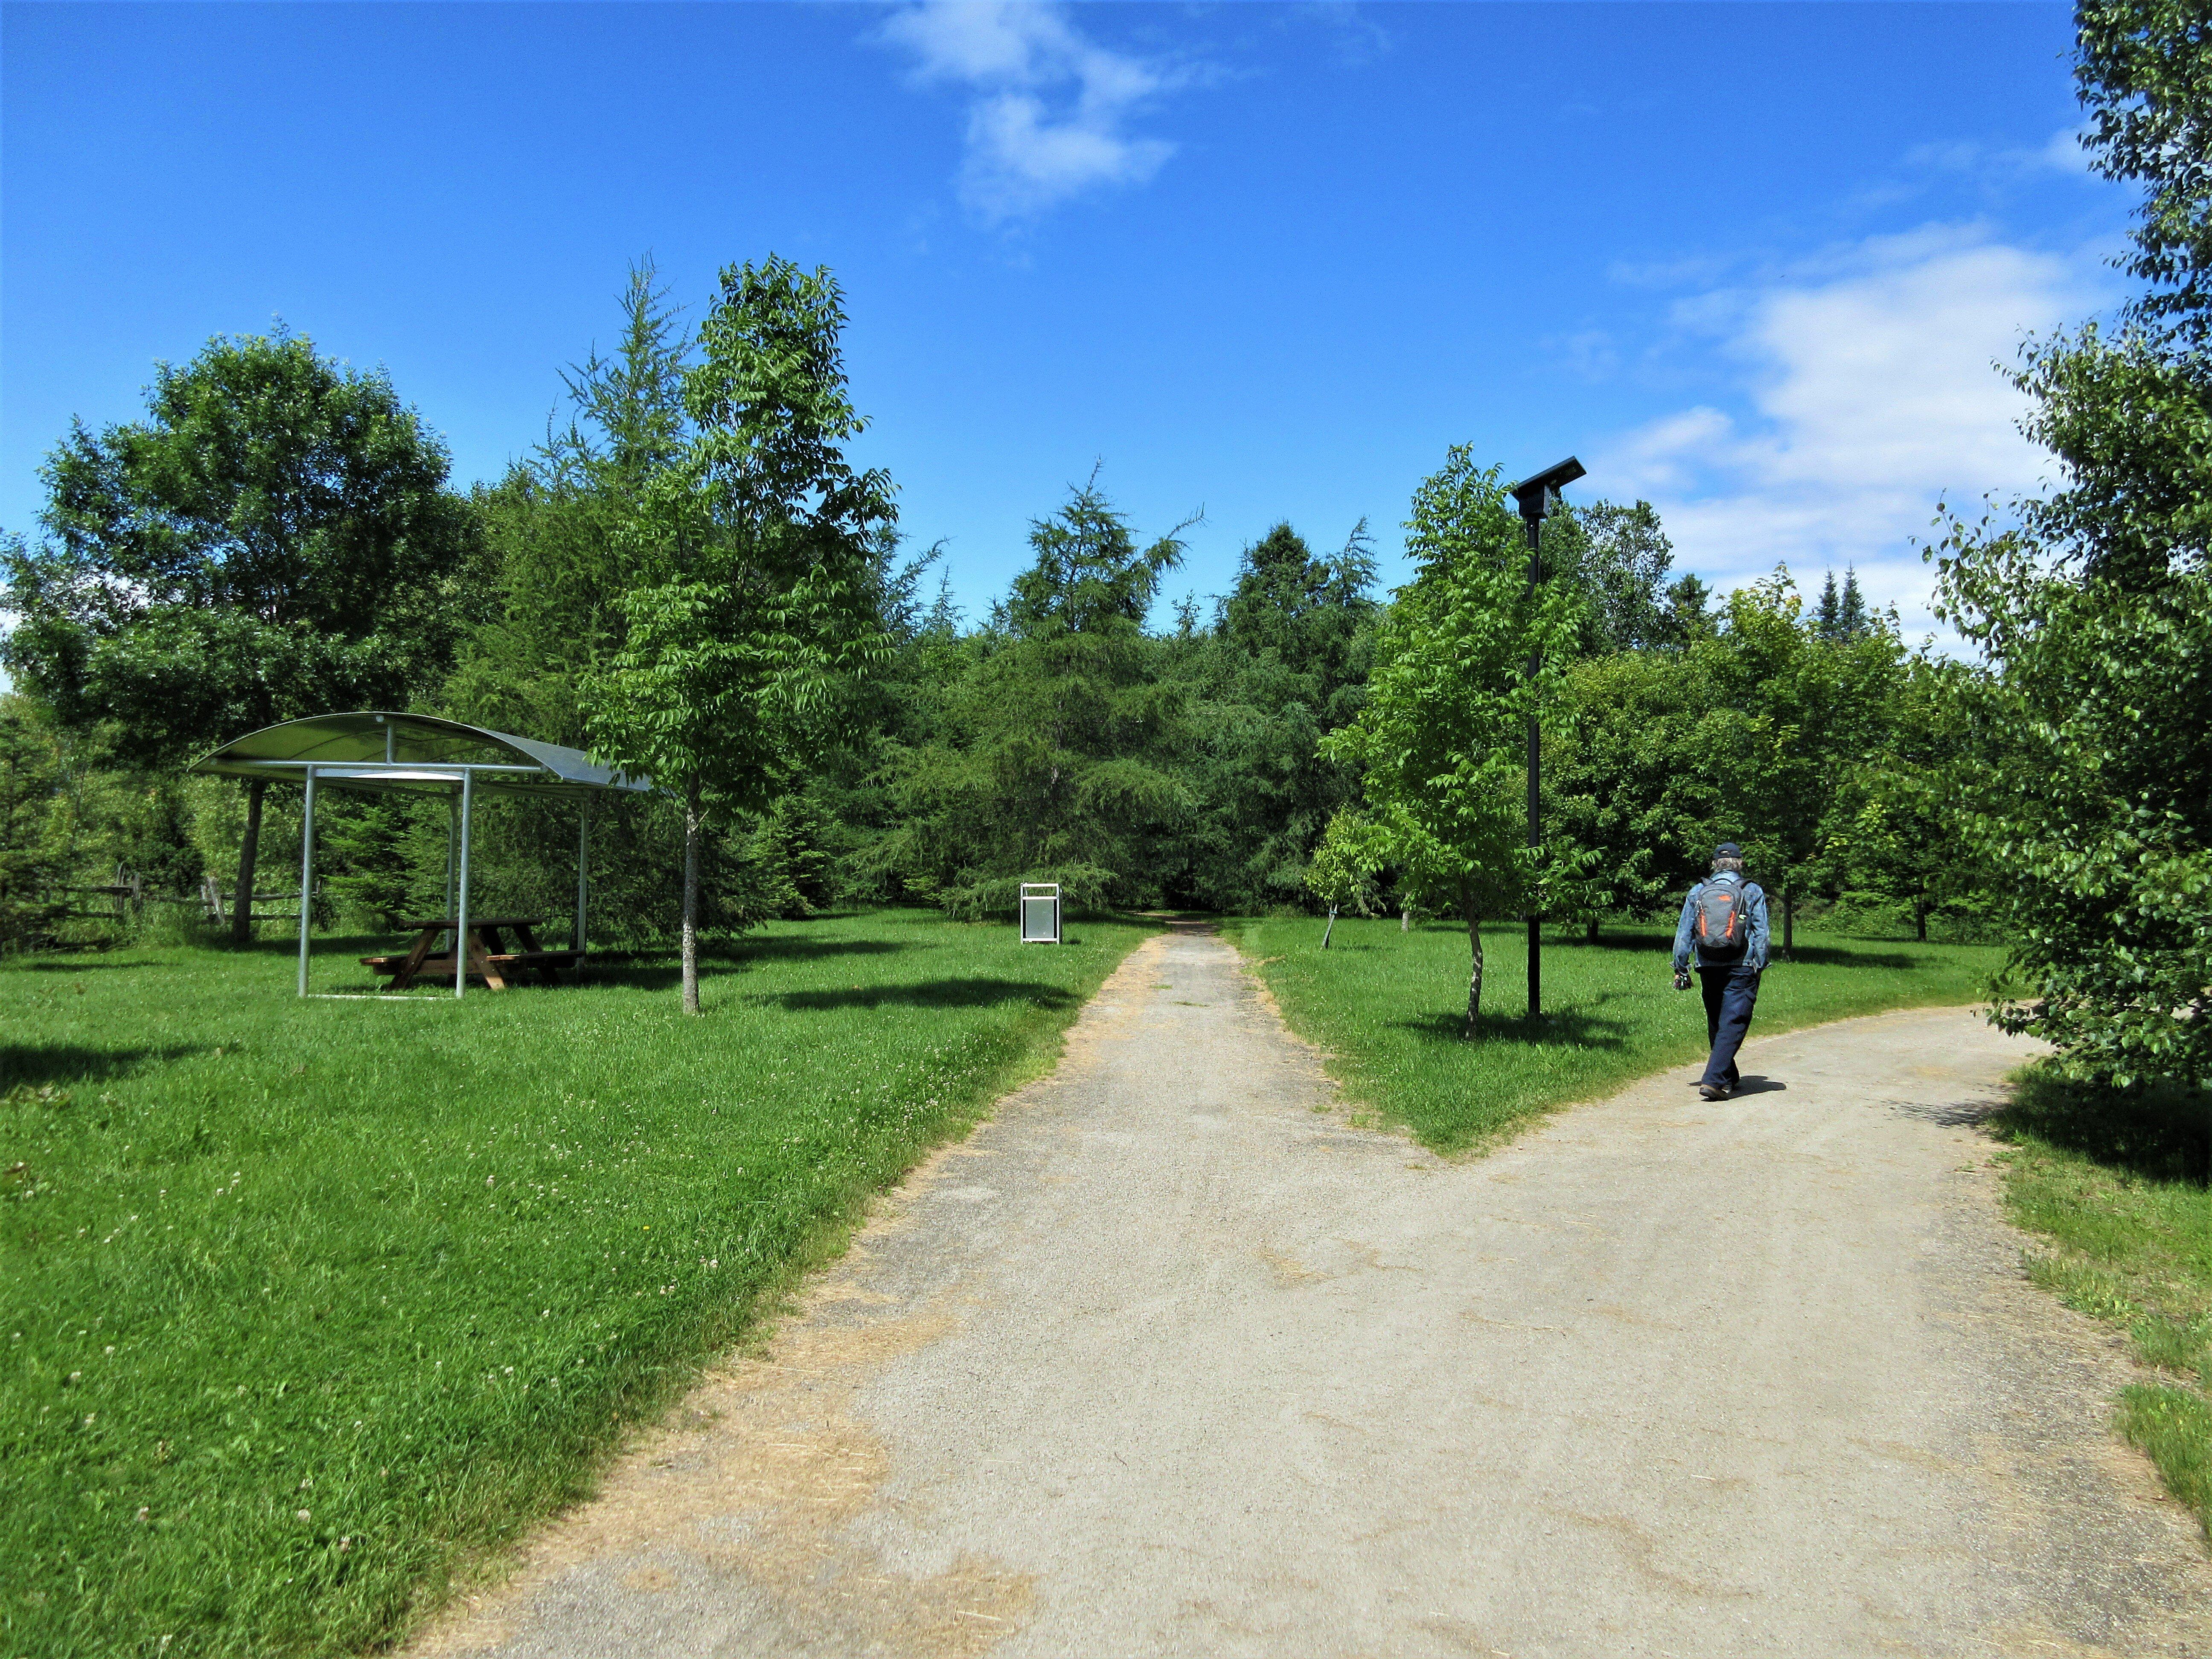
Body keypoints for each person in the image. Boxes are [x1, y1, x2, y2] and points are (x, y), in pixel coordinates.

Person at [1670, 842, 1770, 1100]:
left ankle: (1729, 1075)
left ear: (1715, 864)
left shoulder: (1698, 891)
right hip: (1742, 965)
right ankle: (1714, 1080)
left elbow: (1684, 934)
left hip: (1707, 964)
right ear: (1740, 863)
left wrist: (1682, 967)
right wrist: (1760, 963)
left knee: (1717, 1020)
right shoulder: (1751, 890)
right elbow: (1762, 933)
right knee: (1734, 1021)